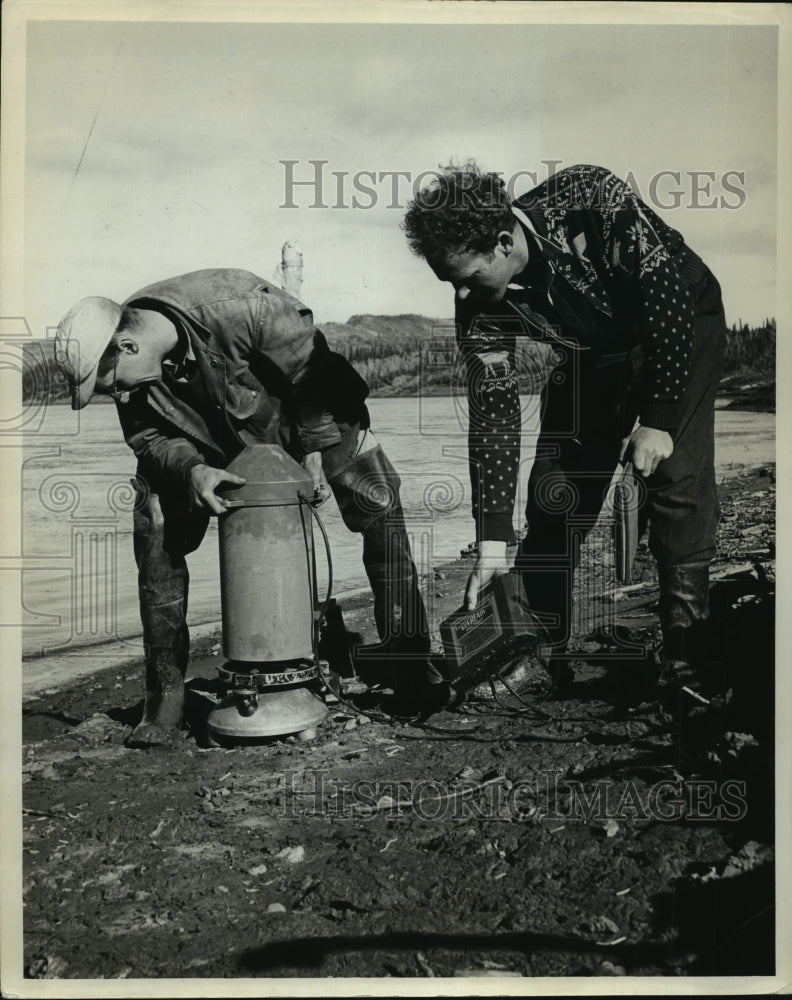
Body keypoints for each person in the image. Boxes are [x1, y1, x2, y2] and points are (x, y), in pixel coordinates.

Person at [55, 269, 449, 746]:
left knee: (376, 497)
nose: (119, 396)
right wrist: (192, 471)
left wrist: (316, 447)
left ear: (128, 347)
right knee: (151, 511)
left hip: (311, 414)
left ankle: (409, 664)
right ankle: (165, 697)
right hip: (214, 446)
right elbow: (149, 438)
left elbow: (311, 369)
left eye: (113, 385)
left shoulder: (240, 305)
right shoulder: (128, 362)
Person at [403, 163, 727, 706]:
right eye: (447, 282)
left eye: (465, 277)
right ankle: (541, 654)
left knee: (678, 480)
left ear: (503, 243)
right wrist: (491, 540)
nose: (458, 295)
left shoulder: (588, 196)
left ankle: (685, 655)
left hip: (680, 322)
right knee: (555, 492)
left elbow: (665, 289)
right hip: (595, 352)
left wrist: (660, 420)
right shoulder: (478, 306)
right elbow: (493, 415)